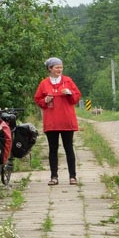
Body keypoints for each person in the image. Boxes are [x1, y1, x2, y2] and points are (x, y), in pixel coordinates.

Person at [33, 57, 81, 185]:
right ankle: (54, 177)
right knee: (52, 149)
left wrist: (70, 93)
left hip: (66, 120)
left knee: (69, 148)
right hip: (52, 122)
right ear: (50, 69)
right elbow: (38, 99)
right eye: (57, 67)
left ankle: (73, 176)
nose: (60, 69)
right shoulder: (44, 83)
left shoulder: (68, 81)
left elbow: (76, 97)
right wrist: (45, 101)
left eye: (61, 67)